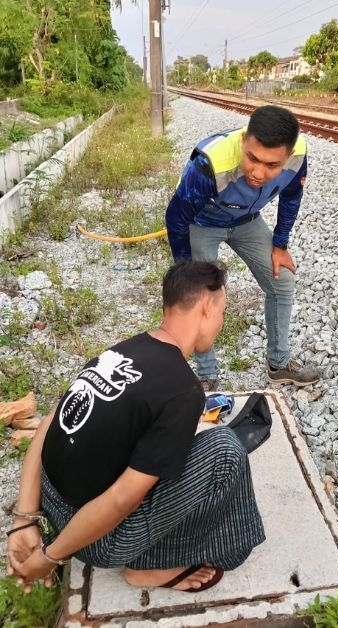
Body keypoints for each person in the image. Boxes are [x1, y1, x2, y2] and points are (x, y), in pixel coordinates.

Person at [6, 261, 264, 593]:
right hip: (98, 542)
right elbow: (121, 500)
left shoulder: (121, 352)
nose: (221, 323)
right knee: (224, 449)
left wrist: (24, 517)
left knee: (172, 445)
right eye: (222, 312)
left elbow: (52, 423)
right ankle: (151, 567)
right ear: (205, 306)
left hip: (52, 501)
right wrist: (49, 556)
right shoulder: (183, 390)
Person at [165, 104, 320, 391]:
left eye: (272, 165)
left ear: (286, 156)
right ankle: (206, 375)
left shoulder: (298, 155)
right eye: (252, 159)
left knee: (282, 280)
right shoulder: (208, 165)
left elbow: (292, 195)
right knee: (201, 295)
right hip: (202, 222)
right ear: (243, 140)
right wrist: (185, 270)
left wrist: (280, 243)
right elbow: (176, 218)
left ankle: (279, 364)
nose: (258, 173)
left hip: (246, 220)